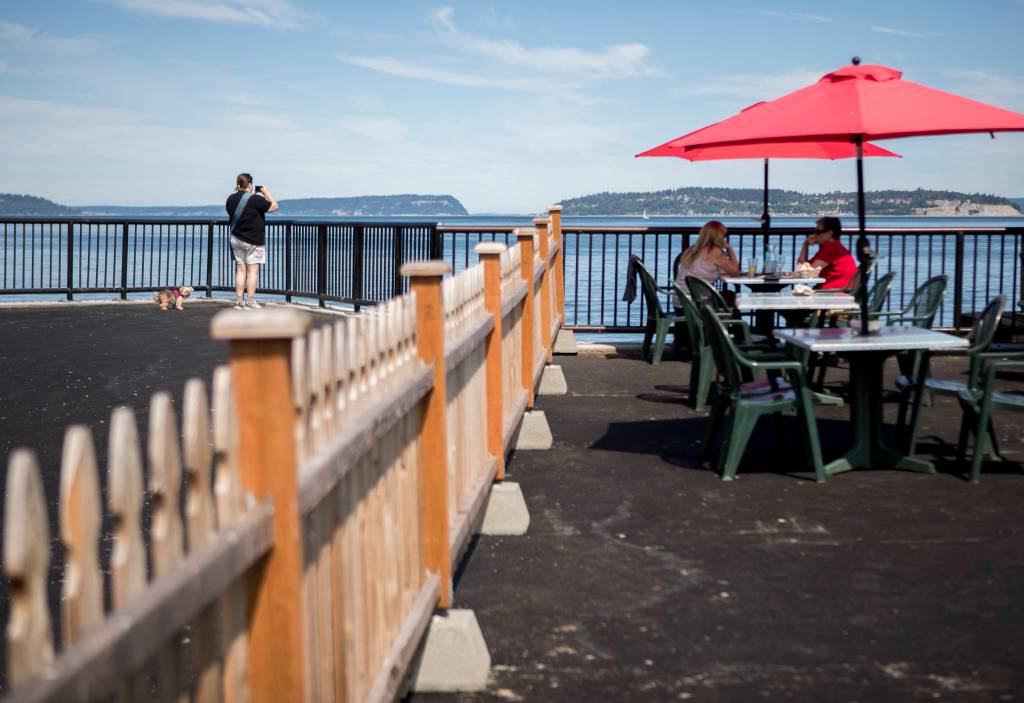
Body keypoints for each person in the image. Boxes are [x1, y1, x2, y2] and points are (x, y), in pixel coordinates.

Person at [225, 173, 278, 309]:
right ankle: (250, 301)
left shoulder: (230, 199)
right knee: (252, 271)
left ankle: (238, 301)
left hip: (236, 239)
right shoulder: (255, 200)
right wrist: (266, 193)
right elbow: (274, 206)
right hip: (253, 241)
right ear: (249, 184)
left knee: (241, 270)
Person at [674, 220, 739, 306]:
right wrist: (730, 249)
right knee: (730, 297)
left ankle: (726, 318)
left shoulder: (692, 250)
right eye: (724, 235)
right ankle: (731, 319)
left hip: (681, 303)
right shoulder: (714, 251)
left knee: (727, 296)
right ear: (719, 236)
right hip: (696, 305)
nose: (725, 238)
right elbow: (735, 272)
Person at [798, 216, 857, 290]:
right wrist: (805, 245)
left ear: (829, 233)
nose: (815, 235)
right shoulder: (832, 247)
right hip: (840, 291)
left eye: (818, 232)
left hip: (835, 293)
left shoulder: (832, 248)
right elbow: (802, 266)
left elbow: (807, 273)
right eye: (815, 231)